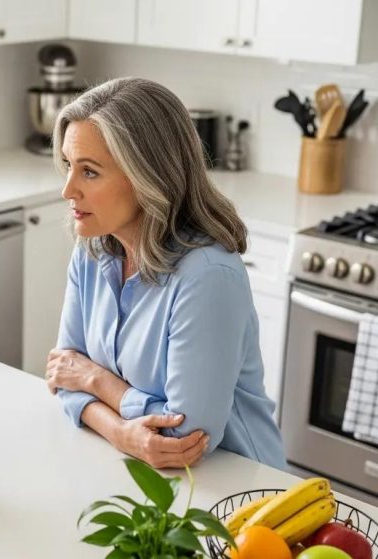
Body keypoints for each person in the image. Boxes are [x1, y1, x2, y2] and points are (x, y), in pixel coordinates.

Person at [44, 77, 286, 470]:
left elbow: (186, 438)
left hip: (236, 485)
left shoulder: (208, 275)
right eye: (69, 166)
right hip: (138, 470)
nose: (67, 189)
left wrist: (98, 381)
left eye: (89, 172)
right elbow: (62, 377)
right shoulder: (92, 246)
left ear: (146, 177)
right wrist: (123, 434)